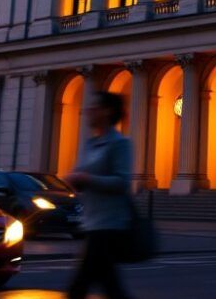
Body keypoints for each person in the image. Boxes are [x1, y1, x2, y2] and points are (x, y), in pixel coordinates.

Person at [65, 91, 134, 299]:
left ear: (107, 111)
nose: (88, 111)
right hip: (92, 223)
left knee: (79, 287)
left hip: (109, 225)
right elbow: (82, 176)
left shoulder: (120, 144)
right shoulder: (89, 144)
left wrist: (87, 178)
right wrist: (75, 179)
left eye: (94, 107)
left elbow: (122, 182)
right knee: (110, 287)